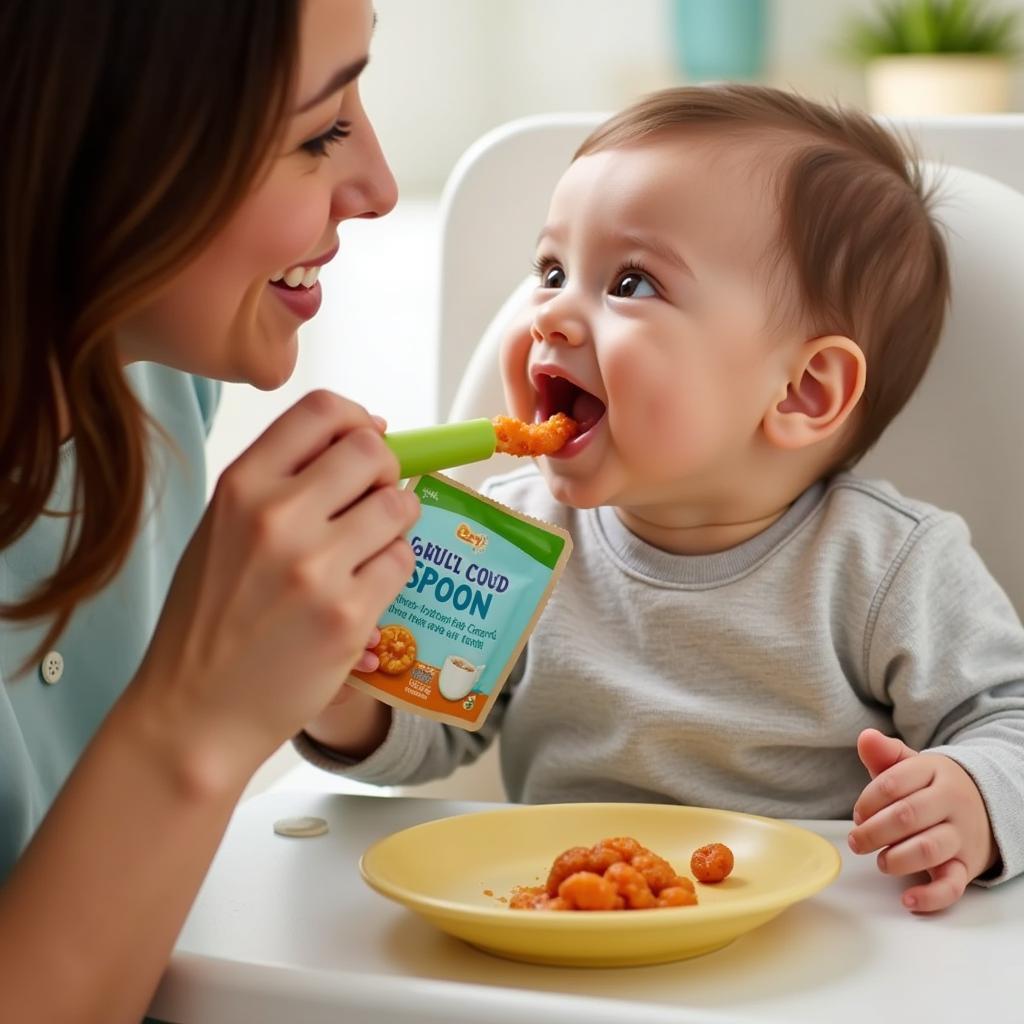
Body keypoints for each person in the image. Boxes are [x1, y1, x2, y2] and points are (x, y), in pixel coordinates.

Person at [305, 85, 1024, 915]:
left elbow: (1010, 721)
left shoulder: (887, 564)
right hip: (564, 927)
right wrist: (341, 695)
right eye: (550, 271)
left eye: (633, 283)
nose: (551, 318)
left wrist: (972, 794)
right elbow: (431, 738)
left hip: (806, 938)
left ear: (802, 392)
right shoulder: (505, 538)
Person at [0, 1, 421, 1019]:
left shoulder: (153, 381)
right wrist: (199, 721)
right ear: (88, 147)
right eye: (319, 132)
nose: (379, 189)